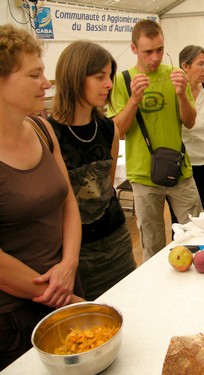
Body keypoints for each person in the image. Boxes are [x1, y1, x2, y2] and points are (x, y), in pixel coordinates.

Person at [0, 24, 85, 369]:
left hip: (65, 285)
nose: (47, 84)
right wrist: (60, 293)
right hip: (17, 316)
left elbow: (68, 202)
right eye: (35, 75)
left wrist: (68, 265)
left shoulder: (41, 128)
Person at [48, 41, 136, 300]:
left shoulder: (109, 129)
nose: (109, 84)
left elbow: (106, 188)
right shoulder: (49, 133)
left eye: (109, 76)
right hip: (77, 252)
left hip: (117, 239)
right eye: (99, 77)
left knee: (129, 304)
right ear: (75, 77)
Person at [108, 20, 202, 263]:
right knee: (152, 244)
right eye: (148, 51)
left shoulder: (176, 75)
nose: (155, 57)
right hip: (142, 174)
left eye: (160, 49)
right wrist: (133, 100)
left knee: (197, 235)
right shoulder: (121, 80)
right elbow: (118, 131)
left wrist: (181, 95)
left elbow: (190, 122)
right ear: (133, 49)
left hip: (180, 170)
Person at [178, 45, 204, 211]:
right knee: (185, 219)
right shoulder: (175, 92)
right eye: (201, 64)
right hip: (183, 167)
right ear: (185, 66)